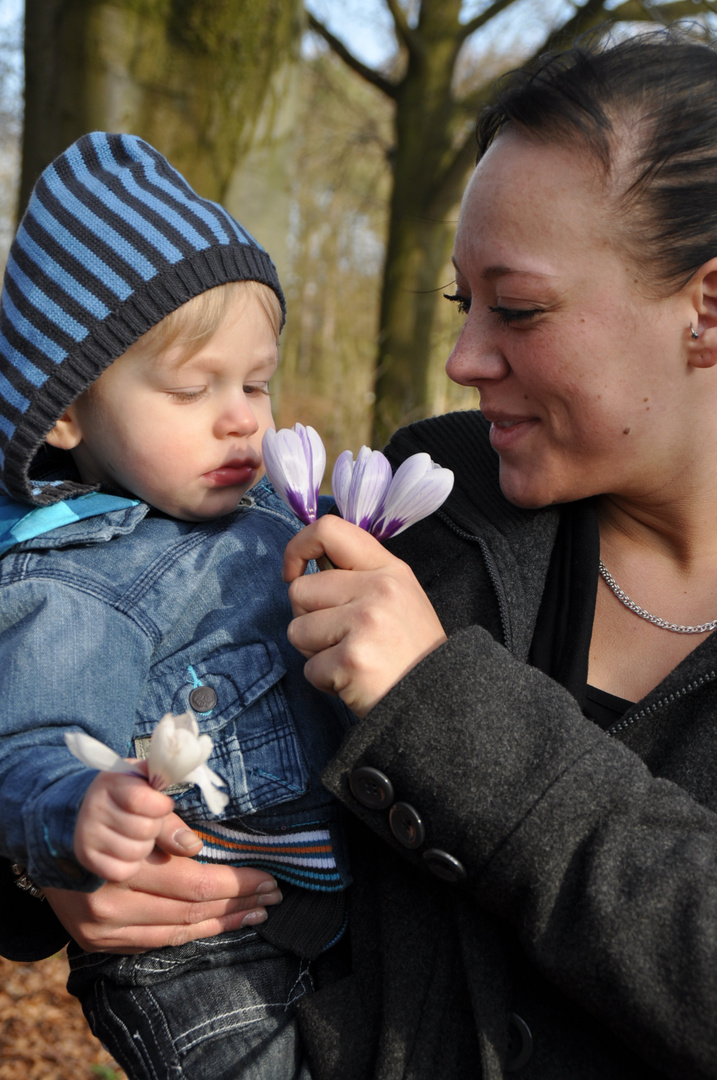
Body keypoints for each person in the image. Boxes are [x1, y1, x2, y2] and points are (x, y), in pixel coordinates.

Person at [5, 25, 717, 1080]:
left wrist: (442, 704)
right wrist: (58, 861)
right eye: (460, 301)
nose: (464, 358)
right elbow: (105, 638)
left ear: (706, 305)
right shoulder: (413, 503)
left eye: (517, 308)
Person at [0, 132, 352, 1080]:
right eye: (193, 389)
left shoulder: (276, 507)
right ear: (66, 414)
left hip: (323, 912)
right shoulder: (74, 582)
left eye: (255, 383)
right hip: (195, 959)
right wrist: (79, 809)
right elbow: (29, 747)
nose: (241, 416)